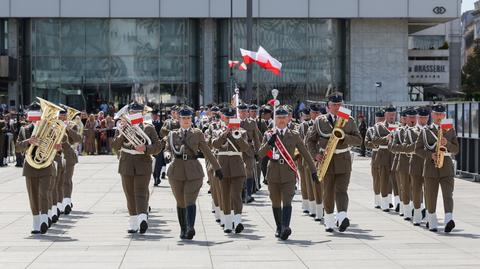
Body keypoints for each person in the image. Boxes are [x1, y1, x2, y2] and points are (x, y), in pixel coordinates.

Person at [306, 92, 362, 232]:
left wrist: (345, 138)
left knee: (341, 190)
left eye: (339, 104)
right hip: (327, 160)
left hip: (343, 159)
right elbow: (310, 141)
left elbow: (358, 140)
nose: (337, 107)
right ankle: (330, 220)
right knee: (328, 191)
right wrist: (315, 155)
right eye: (334, 105)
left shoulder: (348, 119)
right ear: (328, 106)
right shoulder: (320, 121)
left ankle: (342, 217)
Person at [258, 105, 317, 240]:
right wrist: (269, 144)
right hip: (273, 173)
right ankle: (279, 227)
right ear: (275, 119)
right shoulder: (269, 135)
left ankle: (285, 227)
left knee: (287, 201)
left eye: (284, 117)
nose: (281, 120)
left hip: (288, 174)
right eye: (278, 118)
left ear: (288, 119)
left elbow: (305, 153)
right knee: (275, 202)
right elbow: (260, 155)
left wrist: (313, 170)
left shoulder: (294, 135)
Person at [164, 105, 222, 240]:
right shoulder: (172, 134)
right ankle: (183, 229)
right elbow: (167, 149)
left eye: (188, 118)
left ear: (192, 119)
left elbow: (207, 151)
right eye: (183, 118)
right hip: (176, 171)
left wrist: (217, 168)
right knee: (180, 201)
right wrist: (167, 155)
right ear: (179, 119)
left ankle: (190, 227)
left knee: (190, 199)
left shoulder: (197, 133)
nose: (186, 120)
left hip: (193, 170)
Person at [112, 102, 163, 234]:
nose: (133, 114)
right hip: (126, 163)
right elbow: (115, 146)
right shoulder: (122, 128)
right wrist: (123, 133)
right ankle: (133, 223)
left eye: (137, 112)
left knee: (141, 192)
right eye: (132, 112)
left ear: (142, 113)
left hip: (143, 163)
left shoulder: (149, 128)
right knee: (129, 194)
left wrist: (145, 148)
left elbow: (157, 147)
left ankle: (142, 219)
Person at [16, 102, 60, 234]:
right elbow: (17, 147)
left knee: (44, 193)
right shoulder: (24, 130)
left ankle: (44, 220)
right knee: (33, 195)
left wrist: (56, 148)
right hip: (30, 166)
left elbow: (56, 144)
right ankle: (36, 222)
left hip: (46, 165)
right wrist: (28, 141)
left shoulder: (50, 129)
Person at [414, 104, 459, 233]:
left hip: (446, 167)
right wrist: (430, 155)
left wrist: (447, 143)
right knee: (430, 195)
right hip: (430, 167)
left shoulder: (450, 130)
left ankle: (448, 219)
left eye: (441, 114)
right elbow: (417, 149)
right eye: (436, 114)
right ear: (432, 115)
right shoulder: (425, 130)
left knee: (448, 194)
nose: (439, 117)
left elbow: (456, 149)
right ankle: (432, 220)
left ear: (444, 115)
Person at [212, 107, 251, 233]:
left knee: (236, 195)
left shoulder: (242, 131)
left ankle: (238, 221)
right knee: (225, 195)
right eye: (227, 117)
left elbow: (245, 148)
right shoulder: (217, 130)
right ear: (222, 117)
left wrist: (237, 135)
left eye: (231, 117)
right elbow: (215, 144)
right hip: (222, 165)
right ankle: (228, 223)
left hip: (237, 166)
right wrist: (225, 133)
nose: (229, 120)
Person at [365, 110, 385, 209]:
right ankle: (377, 200)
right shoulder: (371, 130)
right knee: (376, 178)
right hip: (376, 154)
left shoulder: (387, 129)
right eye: (379, 119)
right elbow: (366, 143)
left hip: (386, 155)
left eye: (382, 119)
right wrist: (375, 144)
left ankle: (387, 200)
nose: (380, 121)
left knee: (387, 179)